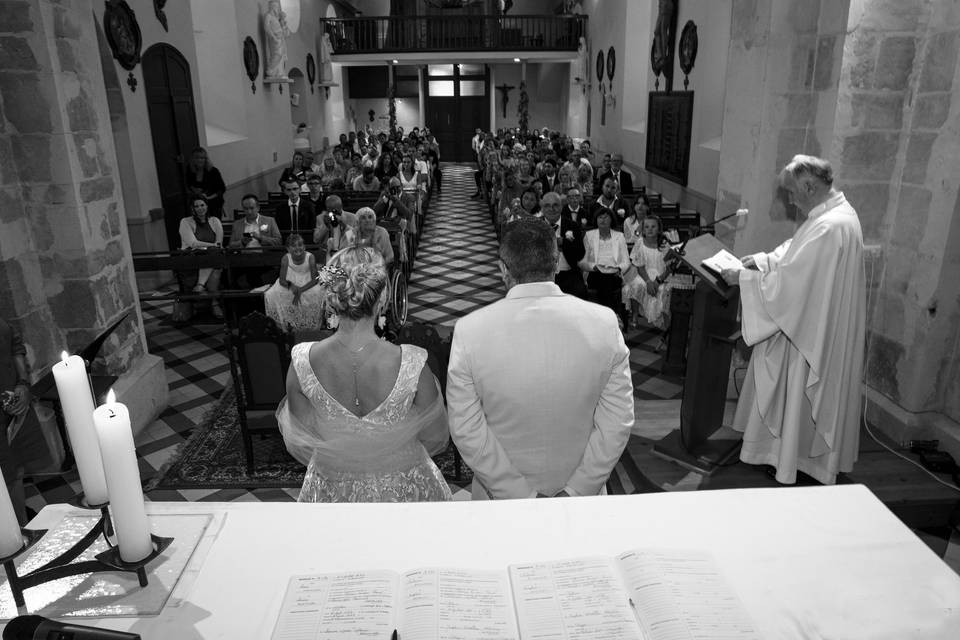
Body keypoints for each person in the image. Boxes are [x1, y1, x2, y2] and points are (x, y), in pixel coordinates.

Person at [447, 218, 634, 499]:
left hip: (500, 499)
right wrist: (577, 489)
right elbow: (617, 420)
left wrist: (519, 494)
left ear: (502, 269)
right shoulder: (604, 323)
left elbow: (466, 429)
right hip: (582, 495)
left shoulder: (469, 331)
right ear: (556, 261)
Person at [720, 154, 866, 485]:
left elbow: (793, 283)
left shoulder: (830, 226)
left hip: (810, 333)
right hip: (814, 322)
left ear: (809, 186)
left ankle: (789, 460)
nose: (789, 198)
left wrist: (743, 279)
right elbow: (795, 252)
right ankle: (782, 454)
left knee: (797, 391)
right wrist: (761, 260)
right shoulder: (832, 215)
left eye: (791, 192)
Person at [277, 247, 452, 502]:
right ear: (382, 298)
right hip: (405, 490)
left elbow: (305, 439)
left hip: (332, 490)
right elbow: (435, 437)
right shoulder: (413, 362)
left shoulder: (301, 362)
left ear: (330, 295)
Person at [1, 318, 42, 525]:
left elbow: (14, 345)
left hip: (11, 406)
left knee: (15, 469)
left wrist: (23, 384)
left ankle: (21, 526)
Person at [580, 208, 631, 327]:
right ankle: (614, 315)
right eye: (600, 217)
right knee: (603, 279)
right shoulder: (589, 235)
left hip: (614, 273)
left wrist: (619, 269)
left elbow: (626, 262)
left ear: (611, 219)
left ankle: (607, 319)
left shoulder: (619, 236)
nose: (602, 220)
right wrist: (594, 267)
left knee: (607, 279)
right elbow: (582, 261)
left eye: (606, 217)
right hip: (594, 273)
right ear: (596, 220)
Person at [624, 214, 674, 330]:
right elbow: (640, 266)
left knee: (664, 291)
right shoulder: (640, 242)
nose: (650, 229)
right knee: (636, 285)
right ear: (643, 229)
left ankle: (666, 322)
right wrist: (648, 281)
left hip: (662, 275)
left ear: (659, 229)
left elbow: (669, 268)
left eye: (653, 227)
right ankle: (635, 315)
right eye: (646, 227)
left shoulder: (664, 244)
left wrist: (657, 281)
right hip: (644, 274)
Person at [264, 234, 324, 331]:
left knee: (317, 292)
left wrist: (300, 290)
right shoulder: (286, 258)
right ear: (288, 249)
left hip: (307, 280)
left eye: (300, 245)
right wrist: (292, 286)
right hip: (290, 279)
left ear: (304, 247)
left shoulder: (310, 257)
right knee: (272, 294)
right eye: (293, 246)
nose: (297, 248)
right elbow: (282, 279)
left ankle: (309, 324)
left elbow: (315, 279)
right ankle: (287, 323)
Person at [178, 195, 224, 319]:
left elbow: (219, 243)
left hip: (212, 255)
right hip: (192, 257)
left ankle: (200, 285)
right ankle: (214, 303)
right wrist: (211, 245)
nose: (200, 208)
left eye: (202, 205)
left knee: (215, 263)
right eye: (196, 206)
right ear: (192, 208)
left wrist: (213, 247)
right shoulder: (185, 222)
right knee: (214, 261)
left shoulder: (215, 221)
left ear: (207, 206)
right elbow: (193, 243)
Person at [228, 194, 283, 287]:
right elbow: (231, 246)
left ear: (258, 207)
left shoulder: (269, 221)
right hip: (244, 259)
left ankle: (255, 298)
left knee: (252, 274)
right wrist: (242, 242)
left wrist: (261, 238)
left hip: (263, 258)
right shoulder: (237, 224)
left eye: (251, 208)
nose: (249, 211)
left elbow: (278, 241)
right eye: (245, 208)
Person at [541, 191, 587, 298]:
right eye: (547, 206)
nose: (551, 209)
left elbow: (580, 253)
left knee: (580, 293)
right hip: (543, 276)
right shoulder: (536, 227)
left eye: (555, 205)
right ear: (542, 209)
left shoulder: (572, 225)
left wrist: (563, 242)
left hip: (568, 273)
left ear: (561, 207)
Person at [185, 147, 226, 218]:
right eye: (197, 158)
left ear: (206, 159)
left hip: (213, 204)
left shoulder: (213, 171)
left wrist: (208, 197)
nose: (200, 160)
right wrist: (195, 190)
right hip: (197, 205)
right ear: (193, 159)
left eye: (202, 158)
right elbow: (189, 184)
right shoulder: (190, 170)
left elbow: (222, 189)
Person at [264, 0, 289, 78]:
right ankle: (270, 70)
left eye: (277, 7)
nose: (277, 9)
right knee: (277, 54)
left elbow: (280, 28)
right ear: (272, 7)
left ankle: (278, 72)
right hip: (273, 39)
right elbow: (266, 27)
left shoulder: (275, 18)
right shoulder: (268, 16)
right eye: (276, 7)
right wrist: (273, 37)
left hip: (280, 38)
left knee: (281, 55)